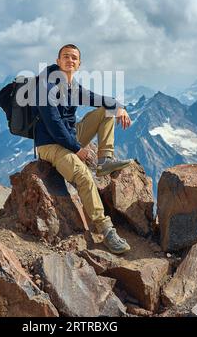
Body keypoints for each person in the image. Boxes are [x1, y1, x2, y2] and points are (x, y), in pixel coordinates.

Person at [32, 44, 132, 254]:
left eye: (74, 58)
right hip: (49, 144)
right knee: (84, 175)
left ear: (79, 64)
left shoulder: (72, 86)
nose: (70, 60)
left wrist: (119, 106)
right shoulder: (46, 86)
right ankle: (105, 230)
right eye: (65, 57)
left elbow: (99, 100)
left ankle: (105, 160)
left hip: (69, 136)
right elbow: (53, 124)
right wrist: (77, 148)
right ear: (58, 61)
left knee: (107, 111)